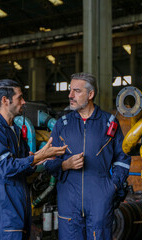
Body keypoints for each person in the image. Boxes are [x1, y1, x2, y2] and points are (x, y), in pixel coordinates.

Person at [0, 79, 67, 240]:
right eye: (20, 97)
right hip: (4, 197)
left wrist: (40, 160)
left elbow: (24, 164)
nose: (24, 102)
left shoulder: (15, 130)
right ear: (5, 100)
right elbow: (6, 167)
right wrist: (39, 156)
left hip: (21, 195)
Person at [44, 72, 131, 239]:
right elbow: (48, 161)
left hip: (100, 198)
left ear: (90, 94)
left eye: (76, 91)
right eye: (70, 90)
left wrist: (112, 187)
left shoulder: (109, 123)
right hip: (69, 200)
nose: (70, 95)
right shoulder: (62, 125)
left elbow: (123, 157)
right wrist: (65, 165)